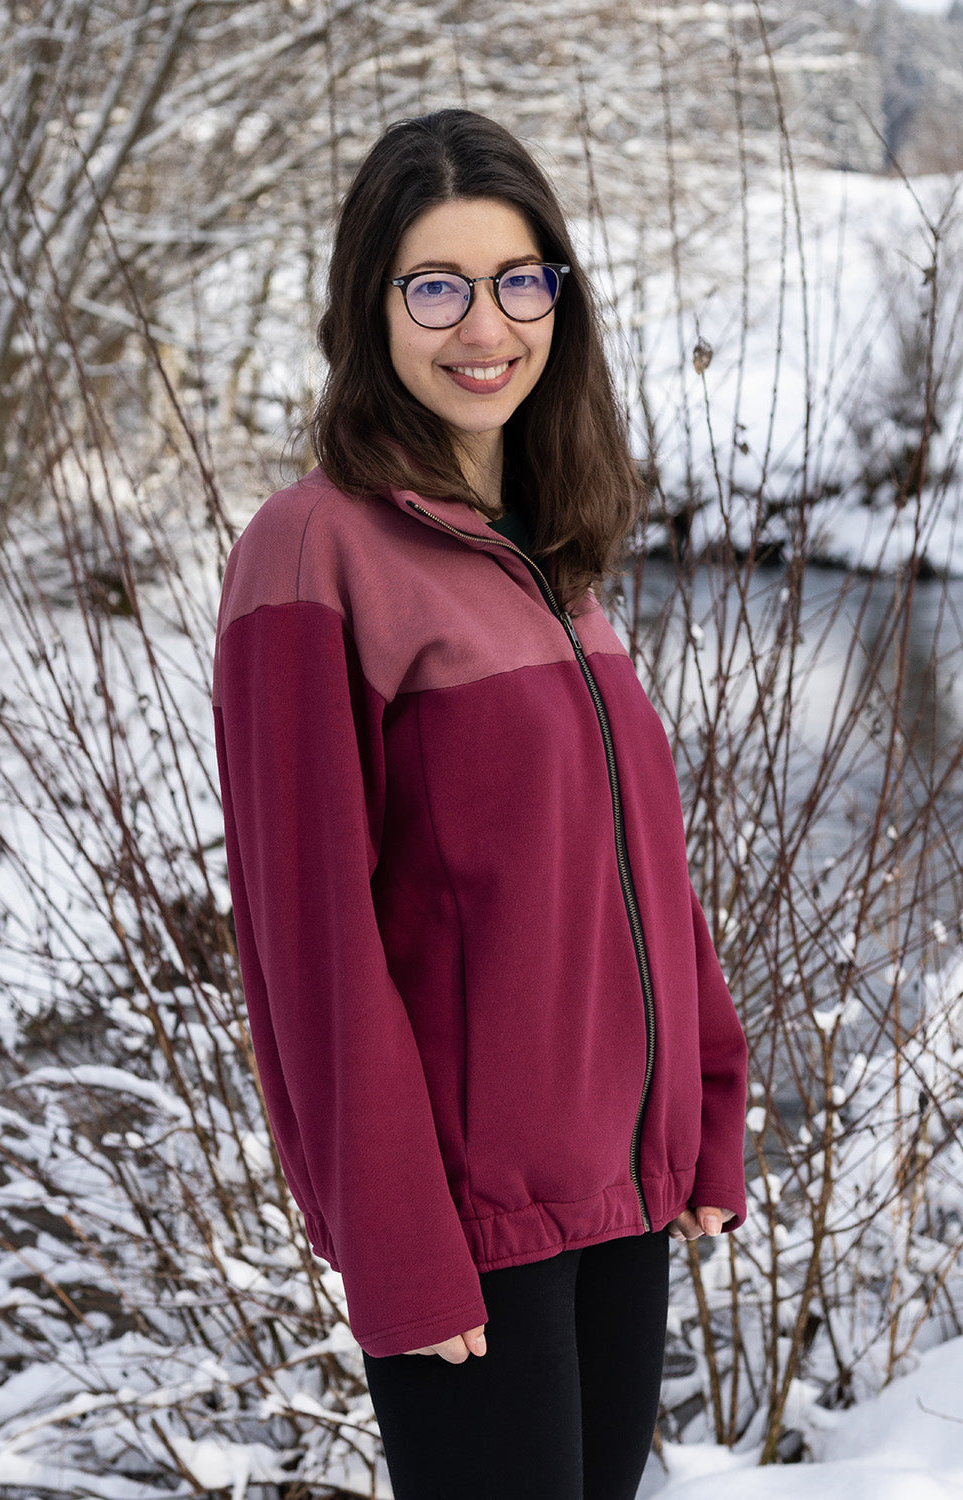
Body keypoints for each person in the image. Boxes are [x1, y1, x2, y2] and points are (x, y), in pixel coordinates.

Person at [213, 108, 747, 1500]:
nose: (484, 325)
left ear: (558, 298)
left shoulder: (554, 560)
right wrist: (394, 1241)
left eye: (519, 281)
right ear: (370, 307)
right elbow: (311, 940)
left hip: (619, 1193)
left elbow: (643, 869)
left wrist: (704, 1101)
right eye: (434, 285)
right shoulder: (314, 549)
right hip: (470, 1225)